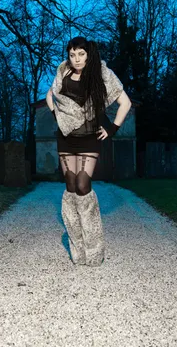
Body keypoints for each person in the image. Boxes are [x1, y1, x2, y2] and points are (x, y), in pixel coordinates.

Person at [45, 36, 132, 266]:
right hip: (66, 139)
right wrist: (59, 117)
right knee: (71, 184)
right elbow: (49, 96)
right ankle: (78, 249)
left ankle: (94, 249)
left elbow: (126, 102)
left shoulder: (101, 74)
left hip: (89, 138)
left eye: (81, 54)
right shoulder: (63, 73)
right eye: (73, 54)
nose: (77, 59)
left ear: (88, 54)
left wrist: (112, 128)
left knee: (83, 184)